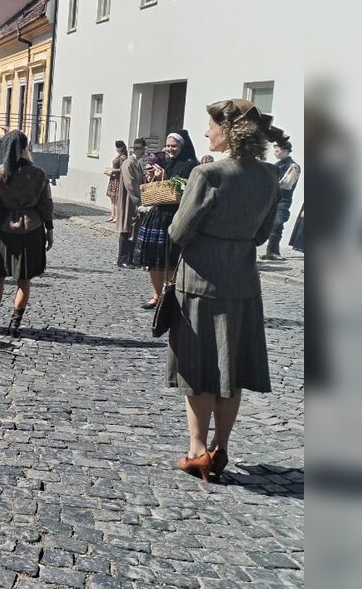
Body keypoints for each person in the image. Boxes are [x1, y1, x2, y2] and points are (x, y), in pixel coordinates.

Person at [166, 99, 282, 483]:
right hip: (243, 283)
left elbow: (178, 232)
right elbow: (263, 234)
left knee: (198, 368)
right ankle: (222, 446)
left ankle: (197, 449)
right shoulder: (269, 175)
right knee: (230, 367)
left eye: (210, 126)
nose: (205, 133)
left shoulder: (207, 174)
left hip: (200, 282)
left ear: (227, 131)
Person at [0, 130, 54, 337]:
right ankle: (15, 325)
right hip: (33, 230)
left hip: (6, 230)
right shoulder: (38, 174)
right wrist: (50, 229)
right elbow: (46, 205)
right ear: (25, 147)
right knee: (24, 280)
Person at [132, 130, 200, 308]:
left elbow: (185, 190)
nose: (170, 149)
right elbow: (154, 188)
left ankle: (170, 297)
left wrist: (165, 178)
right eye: (168, 146)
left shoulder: (190, 165)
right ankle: (156, 296)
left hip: (175, 215)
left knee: (170, 260)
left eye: (174, 146)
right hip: (158, 214)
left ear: (182, 147)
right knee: (154, 259)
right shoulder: (162, 160)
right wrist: (153, 176)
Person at [262, 139, 300, 260]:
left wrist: (272, 183)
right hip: (272, 199)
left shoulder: (293, 166)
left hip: (283, 201)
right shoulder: (276, 165)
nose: (275, 153)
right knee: (269, 224)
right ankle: (271, 251)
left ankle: (273, 252)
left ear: (285, 151)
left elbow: (287, 184)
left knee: (277, 224)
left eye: (277, 150)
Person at [116, 138, 147, 268]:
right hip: (128, 201)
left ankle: (129, 258)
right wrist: (138, 202)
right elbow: (130, 184)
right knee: (126, 229)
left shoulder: (137, 163)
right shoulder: (128, 163)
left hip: (133, 201)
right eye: (143, 149)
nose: (144, 152)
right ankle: (122, 259)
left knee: (132, 230)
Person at [104, 140, 127, 224]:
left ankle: (117, 216)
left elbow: (122, 169)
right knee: (112, 198)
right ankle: (112, 215)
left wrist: (113, 170)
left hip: (117, 179)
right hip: (113, 179)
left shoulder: (123, 157)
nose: (117, 149)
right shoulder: (118, 155)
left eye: (118, 147)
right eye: (116, 147)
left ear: (122, 147)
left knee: (116, 199)